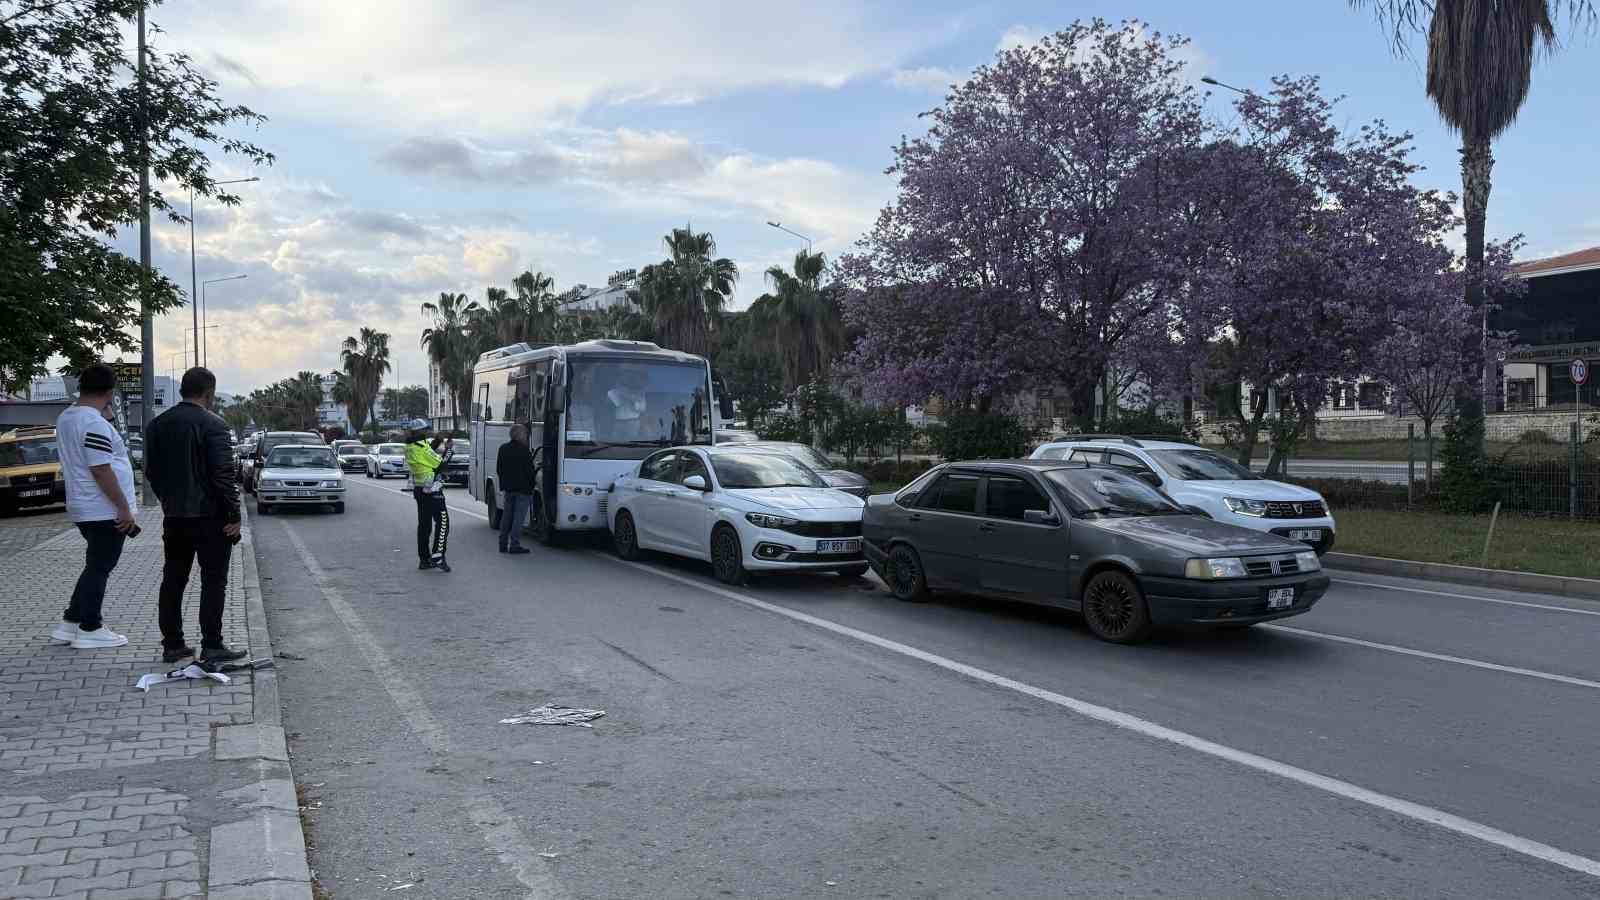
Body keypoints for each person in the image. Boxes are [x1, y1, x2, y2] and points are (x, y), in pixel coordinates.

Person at [144, 367, 245, 665]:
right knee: (214, 581)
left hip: (174, 517)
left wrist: (168, 501)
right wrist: (233, 514)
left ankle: (173, 644)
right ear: (209, 393)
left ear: (182, 390)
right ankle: (212, 644)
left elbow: (152, 473)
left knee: (173, 579)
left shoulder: (156, 425)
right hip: (210, 517)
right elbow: (223, 476)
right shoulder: (214, 424)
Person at [50, 364, 137, 650]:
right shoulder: (93, 423)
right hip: (102, 508)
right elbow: (101, 469)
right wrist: (123, 508)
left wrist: (106, 414)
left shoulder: (68, 417)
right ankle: (91, 627)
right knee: (100, 568)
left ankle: (70, 622)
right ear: (110, 392)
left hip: (83, 505)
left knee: (94, 566)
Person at [405, 419, 452, 572]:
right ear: (419, 432)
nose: (427, 431)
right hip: (432, 490)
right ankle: (438, 555)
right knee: (443, 521)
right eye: (425, 429)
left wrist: (438, 441)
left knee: (424, 525)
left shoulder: (412, 446)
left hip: (420, 489)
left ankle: (424, 559)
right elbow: (441, 465)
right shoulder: (421, 447)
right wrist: (449, 450)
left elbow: (427, 451)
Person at [496, 423, 536, 554]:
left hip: (508, 489)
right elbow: (530, 472)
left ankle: (502, 543)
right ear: (520, 435)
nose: (526, 436)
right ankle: (514, 544)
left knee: (506, 516)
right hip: (523, 490)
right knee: (518, 518)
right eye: (524, 434)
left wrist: (505, 483)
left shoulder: (503, 448)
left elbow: (499, 469)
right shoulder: (525, 451)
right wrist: (531, 486)